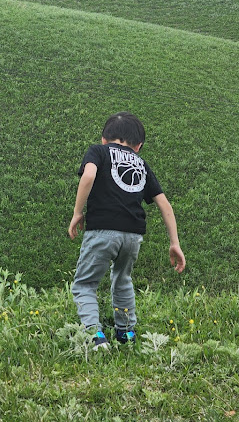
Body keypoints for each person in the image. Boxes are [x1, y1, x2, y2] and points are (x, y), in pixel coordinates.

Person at [68, 112, 185, 350]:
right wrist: (174, 243)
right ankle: (126, 334)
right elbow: (164, 203)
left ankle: (95, 337)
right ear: (138, 146)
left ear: (104, 139)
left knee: (85, 284)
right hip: (133, 236)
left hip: (102, 230)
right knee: (123, 279)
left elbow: (89, 175)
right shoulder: (141, 164)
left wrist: (78, 212)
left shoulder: (98, 151)